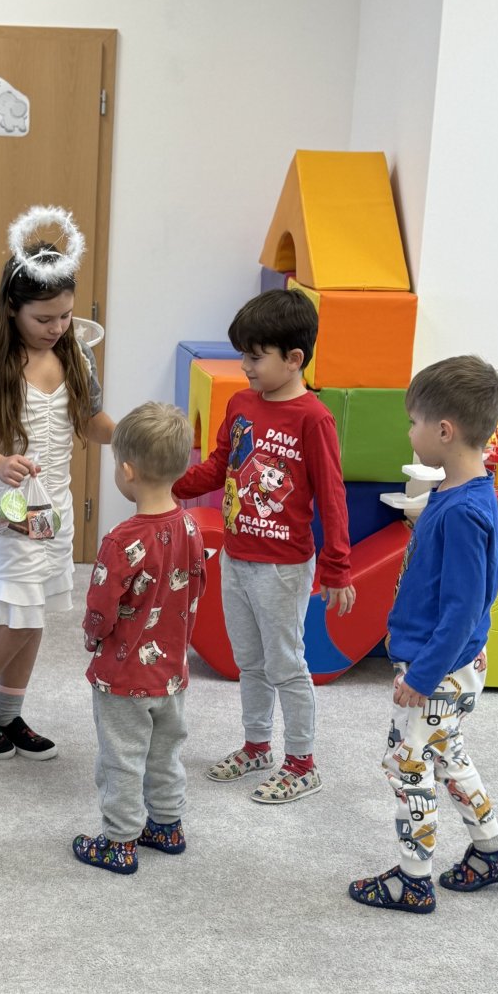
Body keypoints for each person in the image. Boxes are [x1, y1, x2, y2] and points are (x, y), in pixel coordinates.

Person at [349, 356, 498, 913]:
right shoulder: (459, 493)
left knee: (405, 765)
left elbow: (464, 608)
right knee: (447, 755)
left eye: (413, 423)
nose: (410, 432)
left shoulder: (462, 512)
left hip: (439, 669)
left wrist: (422, 675)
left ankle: (413, 879)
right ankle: (493, 850)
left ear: (444, 431)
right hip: (449, 663)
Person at [0, 207, 115, 761]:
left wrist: (135, 437)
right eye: (44, 318)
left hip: (51, 507)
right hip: (4, 507)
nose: (57, 327)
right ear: (12, 308)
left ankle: (8, 714)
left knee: (32, 612)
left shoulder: (75, 355)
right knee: (15, 618)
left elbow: (91, 421)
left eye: (65, 315)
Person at [173, 289, 355, 804]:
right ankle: (257, 747)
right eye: (243, 355)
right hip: (236, 557)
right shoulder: (241, 404)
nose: (245, 366)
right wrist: (168, 483)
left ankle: (302, 763)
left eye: (255, 357)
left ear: (293, 359)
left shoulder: (314, 419)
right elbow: (219, 466)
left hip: (283, 567)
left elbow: (332, 496)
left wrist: (338, 568)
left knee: (286, 664)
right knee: (248, 661)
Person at [73, 403, 206, 874]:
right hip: (172, 671)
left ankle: (119, 840)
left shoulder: (121, 540)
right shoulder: (191, 526)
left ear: (126, 471)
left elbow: (101, 608)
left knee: (121, 759)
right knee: (165, 751)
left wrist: (92, 638)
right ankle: (167, 825)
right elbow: (197, 584)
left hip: (124, 676)